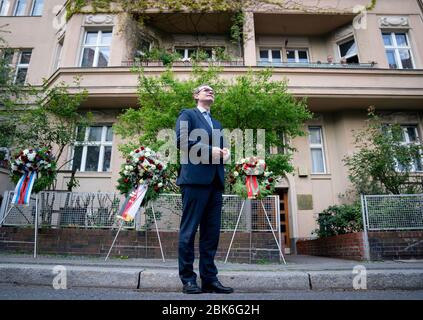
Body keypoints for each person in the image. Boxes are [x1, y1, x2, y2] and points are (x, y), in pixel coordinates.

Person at [175, 84, 233, 294]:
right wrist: (211, 150)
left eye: (212, 90)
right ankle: (188, 280)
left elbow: (221, 151)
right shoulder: (187, 115)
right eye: (206, 89)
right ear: (196, 95)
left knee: (211, 234)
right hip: (194, 181)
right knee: (189, 232)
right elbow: (181, 142)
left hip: (215, 182)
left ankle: (209, 279)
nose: (211, 91)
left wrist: (226, 154)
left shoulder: (216, 123)